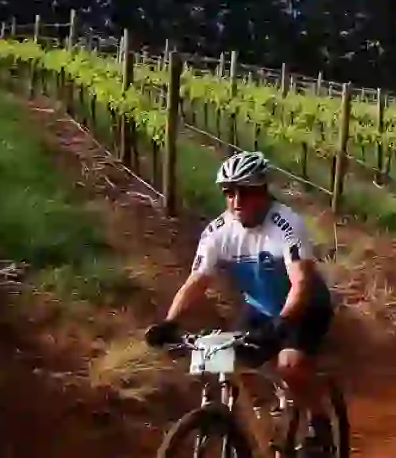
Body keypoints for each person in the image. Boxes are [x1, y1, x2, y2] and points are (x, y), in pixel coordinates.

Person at [144, 151, 337, 451]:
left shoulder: (286, 225)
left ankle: (319, 423)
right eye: (229, 193)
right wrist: (170, 322)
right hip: (259, 306)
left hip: (304, 305)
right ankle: (257, 426)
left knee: (290, 364)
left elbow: (301, 282)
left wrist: (283, 323)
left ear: (262, 191)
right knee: (227, 360)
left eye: (244, 192)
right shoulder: (219, 231)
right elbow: (197, 281)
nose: (236, 200)